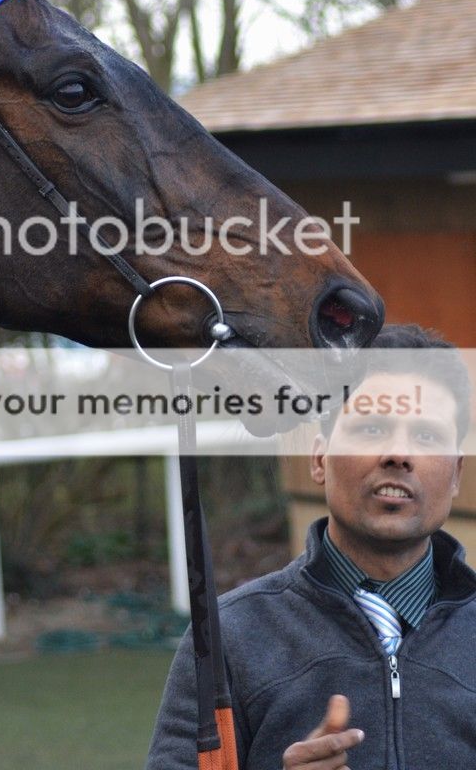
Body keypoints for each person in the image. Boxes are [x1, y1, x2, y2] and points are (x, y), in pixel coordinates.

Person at [146, 324, 475, 769]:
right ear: (320, 459)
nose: (398, 454)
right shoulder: (230, 636)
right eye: (373, 429)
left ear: (456, 473)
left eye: (426, 436)